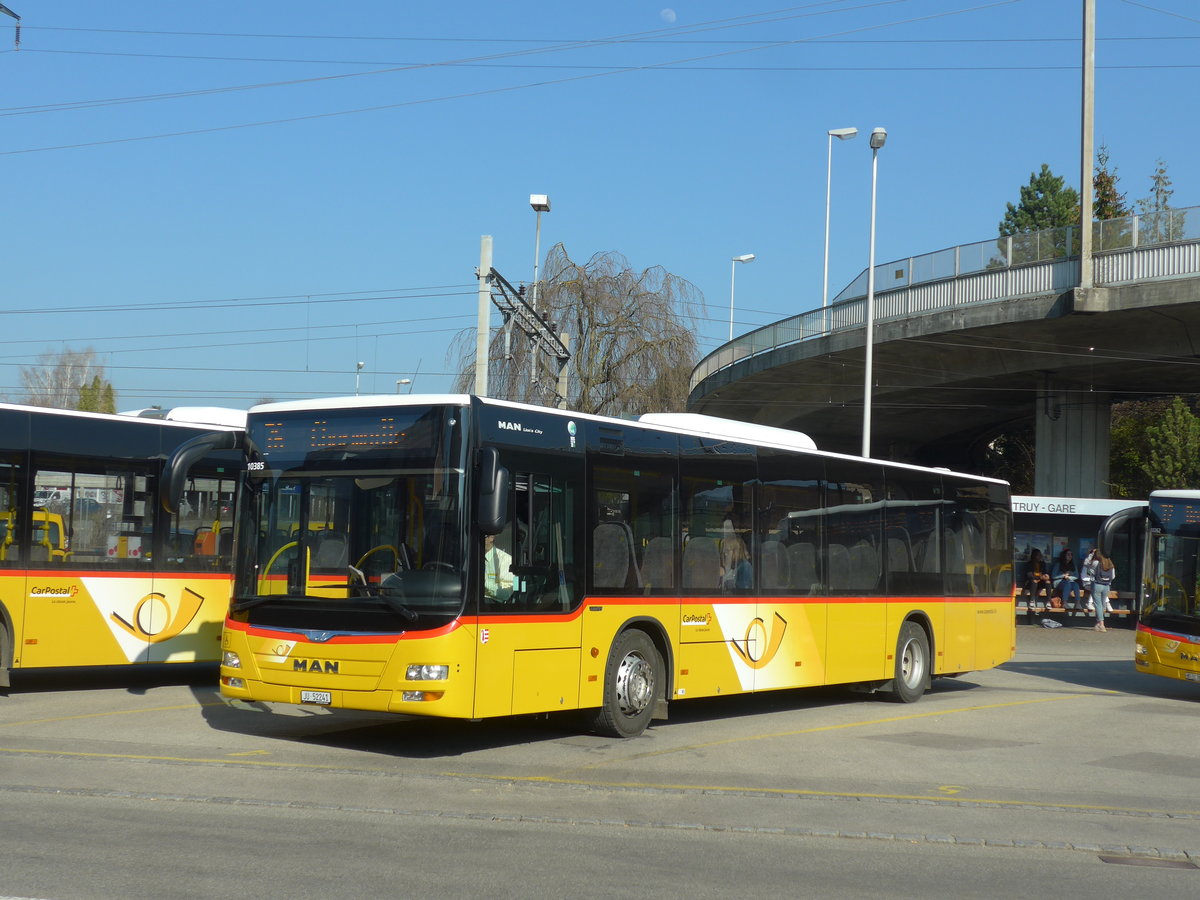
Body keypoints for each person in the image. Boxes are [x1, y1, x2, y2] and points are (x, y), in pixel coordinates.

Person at [483, 530, 514, 602]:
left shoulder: (506, 560)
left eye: (480, 536)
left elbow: (507, 594)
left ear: (491, 537)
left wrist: (483, 582)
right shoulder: (469, 558)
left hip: (492, 605)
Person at [1090, 551, 1116, 632]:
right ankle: (1098, 623)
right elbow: (1113, 576)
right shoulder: (1110, 564)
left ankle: (1102, 624)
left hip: (1097, 585)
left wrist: (1090, 556)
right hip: (1106, 586)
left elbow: (1089, 572)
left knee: (1098, 605)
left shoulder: (1096, 563)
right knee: (1102, 604)